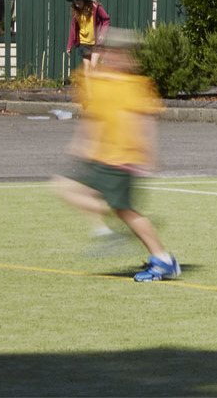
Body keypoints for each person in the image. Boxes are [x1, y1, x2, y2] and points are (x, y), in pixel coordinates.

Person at [49, 27, 180, 282]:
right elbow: (92, 119)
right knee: (67, 189)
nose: (114, 57)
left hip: (122, 159)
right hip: (100, 156)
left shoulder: (136, 85)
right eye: (110, 52)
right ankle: (112, 235)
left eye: (121, 53)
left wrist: (148, 154)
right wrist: (80, 145)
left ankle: (160, 258)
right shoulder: (97, 82)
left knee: (124, 211)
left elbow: (145, 121)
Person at [66, 0, 110, 73]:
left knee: (93, 66)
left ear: (84, 1)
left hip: (96, 42)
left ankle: (95, 84)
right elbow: (73, 28)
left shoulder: (95, 7)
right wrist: (69, 45)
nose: (77, 6)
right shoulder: (76, 12)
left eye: (79, 3)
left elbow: (106, 19)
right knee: (86, 67)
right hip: (84, 42)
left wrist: (102, 33)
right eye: (75, 4)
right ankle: (87, 86)